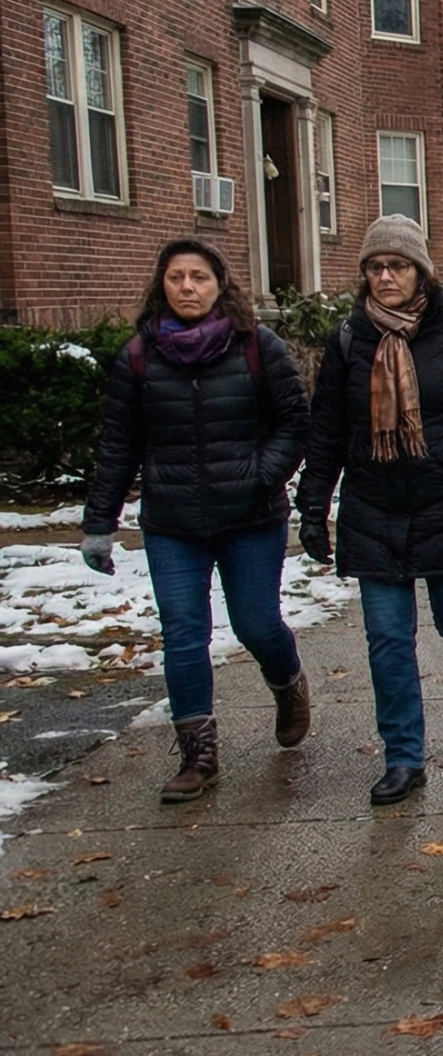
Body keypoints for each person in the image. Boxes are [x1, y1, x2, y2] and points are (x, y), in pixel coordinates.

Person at [298, 216, 443, 806]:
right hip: (375, 508)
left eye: (397, 266)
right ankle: (403, 757)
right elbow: (326, 431)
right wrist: (314, 504)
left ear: (420, 270)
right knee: (388, 641)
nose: (385, 276)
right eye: (375, 267)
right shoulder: (349, 339)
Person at [81, 240, 312, 803]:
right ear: (162, 284)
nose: (187, 287)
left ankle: (288, 685)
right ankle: (198, 755)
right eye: (177, 277)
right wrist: (99, 522)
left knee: (257, 625)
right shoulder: (138, 357)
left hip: (251, 517)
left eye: (199, 277)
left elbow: (296, 422)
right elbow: (119, 444)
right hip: (173, 522)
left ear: (219, 285)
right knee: (184, 634)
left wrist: (263, 473)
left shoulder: (258, 346)